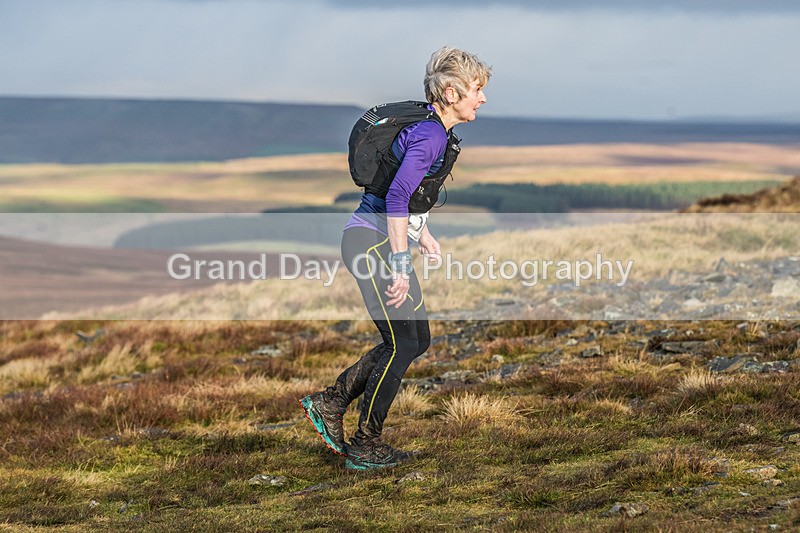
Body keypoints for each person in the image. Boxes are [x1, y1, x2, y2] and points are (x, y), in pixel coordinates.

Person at [300, 46, 491, 470]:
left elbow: (404, 195)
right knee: (403, 342)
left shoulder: (429, 128)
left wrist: (424, 238)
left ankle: (330, 402)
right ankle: (365, 443)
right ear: (450, 91)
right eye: (477, 89)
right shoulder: (431, 134)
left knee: (415, 340)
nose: (482, 98)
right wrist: (401, 266)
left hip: (374, 241)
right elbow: (399, 196)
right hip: (372, 245)